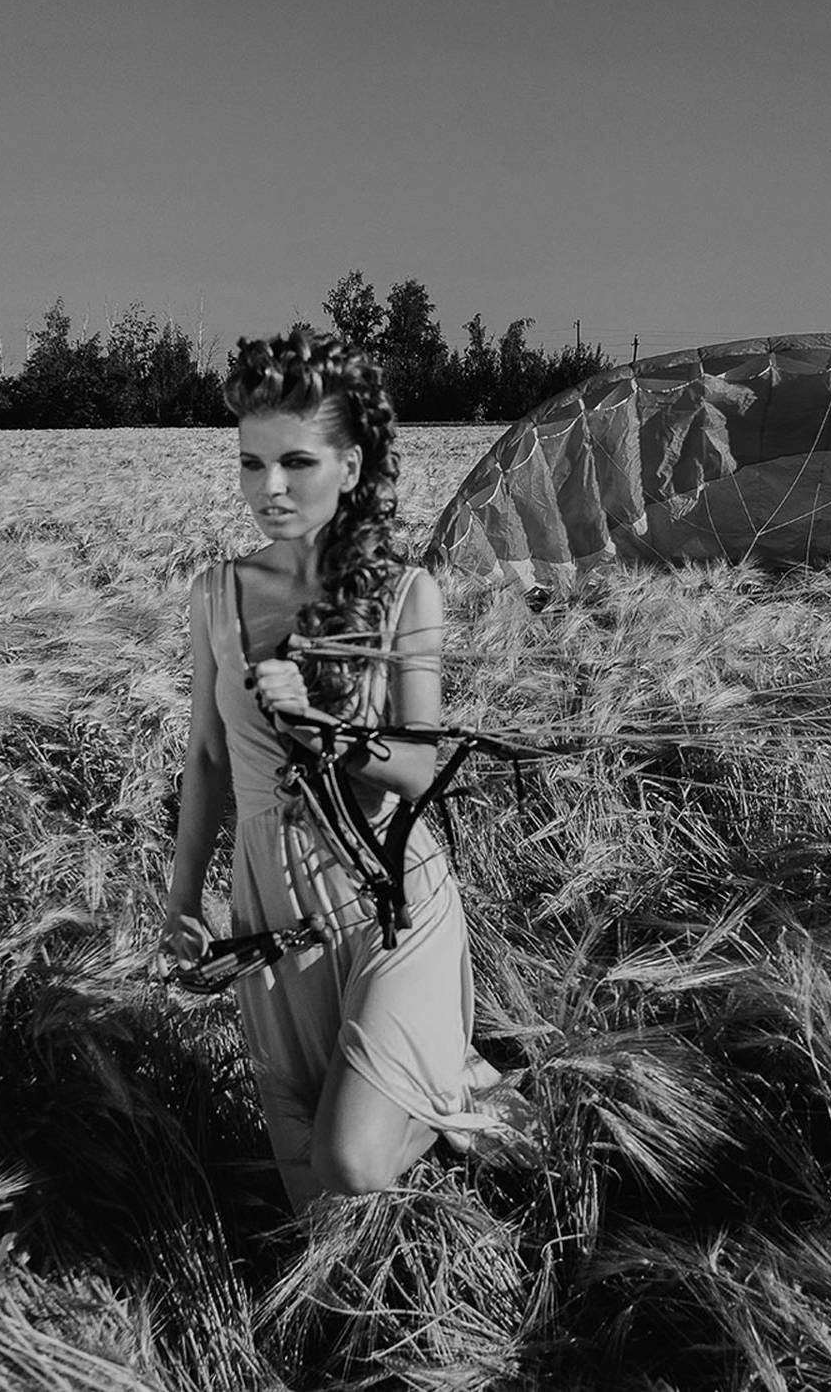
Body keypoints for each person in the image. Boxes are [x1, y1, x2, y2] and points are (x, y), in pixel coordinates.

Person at [159, 330, 507, 1210]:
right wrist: (182, 896)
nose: (268, 488)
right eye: (251, 463)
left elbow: (420, 769)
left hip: (384, 893)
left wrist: (324, 730)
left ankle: (460, 1094)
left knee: (351, 1159)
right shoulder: (216, 594)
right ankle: (448, 1112)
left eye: (296, 462)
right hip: (271, 906)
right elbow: (206, 754)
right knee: (320, 1205)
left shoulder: (406, 596)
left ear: (350, 467)